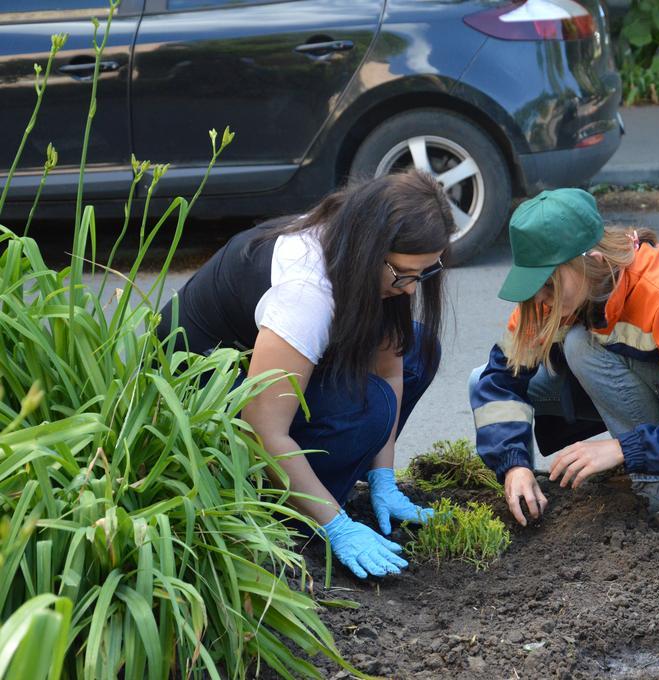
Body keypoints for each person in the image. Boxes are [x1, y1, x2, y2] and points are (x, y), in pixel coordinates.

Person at [157, 171, 454, 579]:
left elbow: (391, 369)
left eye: (424, 273)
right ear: (371, 251)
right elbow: (260, 430)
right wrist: (337, 526)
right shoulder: (305, 292)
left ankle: (328, 484)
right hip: (196, 400)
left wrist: (384, 477)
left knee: (419, 349)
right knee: (369, 410)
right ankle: (292, 515)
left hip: (261, 374)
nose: (410, 289)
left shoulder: (359, 252)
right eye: (404, 274)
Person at [468, 189, 659, 526]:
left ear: (593, 261)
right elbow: (499, 383)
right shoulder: (548, 298)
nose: (541, 298)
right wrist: (514, 464)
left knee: (580, 345)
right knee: (480, 380)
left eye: (549, 285)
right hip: (632, 370)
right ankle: (528, 490)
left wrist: (624, 450)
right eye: (534, 284)